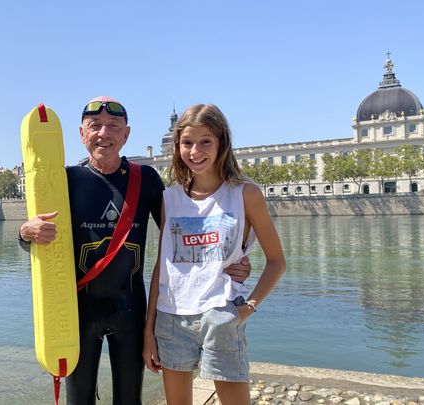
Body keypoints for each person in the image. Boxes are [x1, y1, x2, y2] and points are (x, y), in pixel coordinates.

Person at [19, 97, 251, 405]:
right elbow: (40, 241)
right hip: (76, 312)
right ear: (81, 133)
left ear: (126, 134)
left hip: (130, 309)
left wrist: (235, 257)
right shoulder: (66, 181)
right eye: (95, 126)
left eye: (113, 126)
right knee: (79, 399)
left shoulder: (147, 180)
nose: (104, 133)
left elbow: (188, 229)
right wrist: (25, 233)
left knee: (129, 400)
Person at [142, 104, 286, 405]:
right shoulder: (170, 198)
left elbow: (277, 262)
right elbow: (163, 266)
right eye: (187, 143)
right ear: (177, 146)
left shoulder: (245, 194)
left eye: (206, 141)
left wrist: (248, 308)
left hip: (221, 313)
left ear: (221, 142)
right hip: (172, 317)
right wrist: (148, 328)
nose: (195, 151)